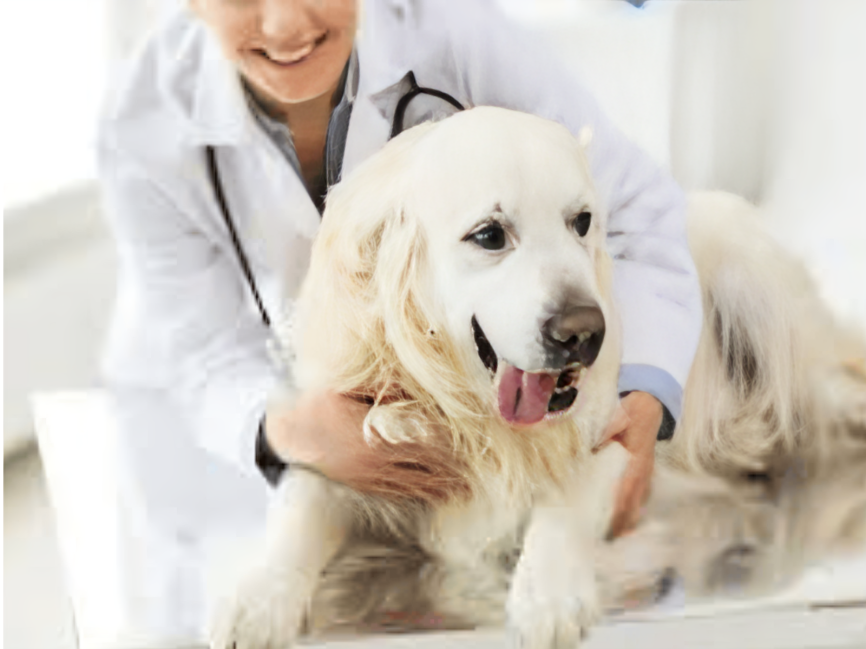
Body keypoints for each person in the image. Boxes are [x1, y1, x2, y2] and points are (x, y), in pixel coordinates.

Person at [97, 0, 701, 636]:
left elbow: (633, 209)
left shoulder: (458, 36)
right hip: (204, 433)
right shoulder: (142, 118)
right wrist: (291, 431)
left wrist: (646, 387)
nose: (284, 27)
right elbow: (206, 355)